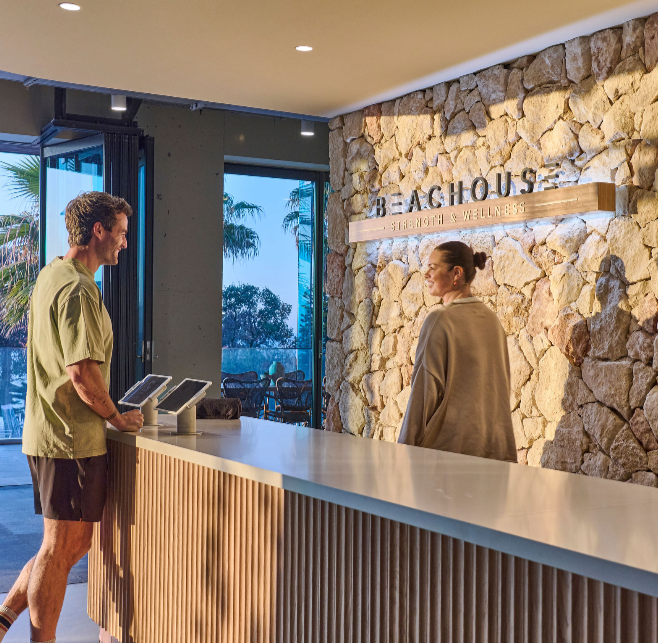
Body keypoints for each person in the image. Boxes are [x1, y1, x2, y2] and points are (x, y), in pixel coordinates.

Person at [0, 192, 144, 643]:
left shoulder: (51, 274)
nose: (124, 242)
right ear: (98, 231)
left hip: (54, 433)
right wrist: (118, 418)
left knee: (68, 545)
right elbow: (81, 373)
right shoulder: (79, 288)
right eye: (120, 233)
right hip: (68, 438)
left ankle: (3, 618)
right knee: (59, 549)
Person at [397, 241, 517, 462]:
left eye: (433, 268)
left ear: (456, 273)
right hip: (493, 454)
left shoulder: (440, 320)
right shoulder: (492, 320)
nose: (426, 274)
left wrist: (403, 454)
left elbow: (424, 394)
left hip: (447, 457)